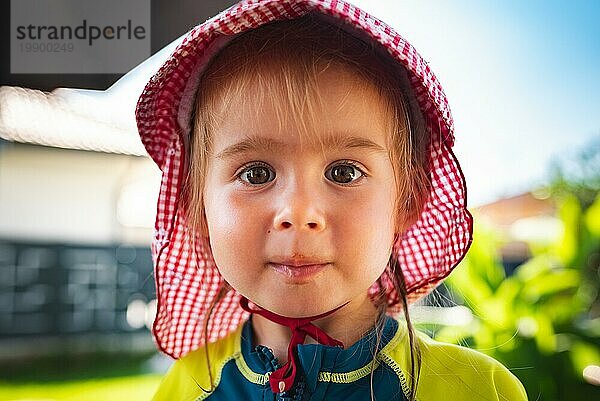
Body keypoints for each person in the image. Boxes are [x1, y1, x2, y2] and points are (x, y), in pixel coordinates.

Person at [136, 0, 528, 400]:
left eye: (344, 172)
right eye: (256, 173)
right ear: (197, 207)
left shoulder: (478, 390)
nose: (299, 212)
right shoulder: (185, 389)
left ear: (407, 202)